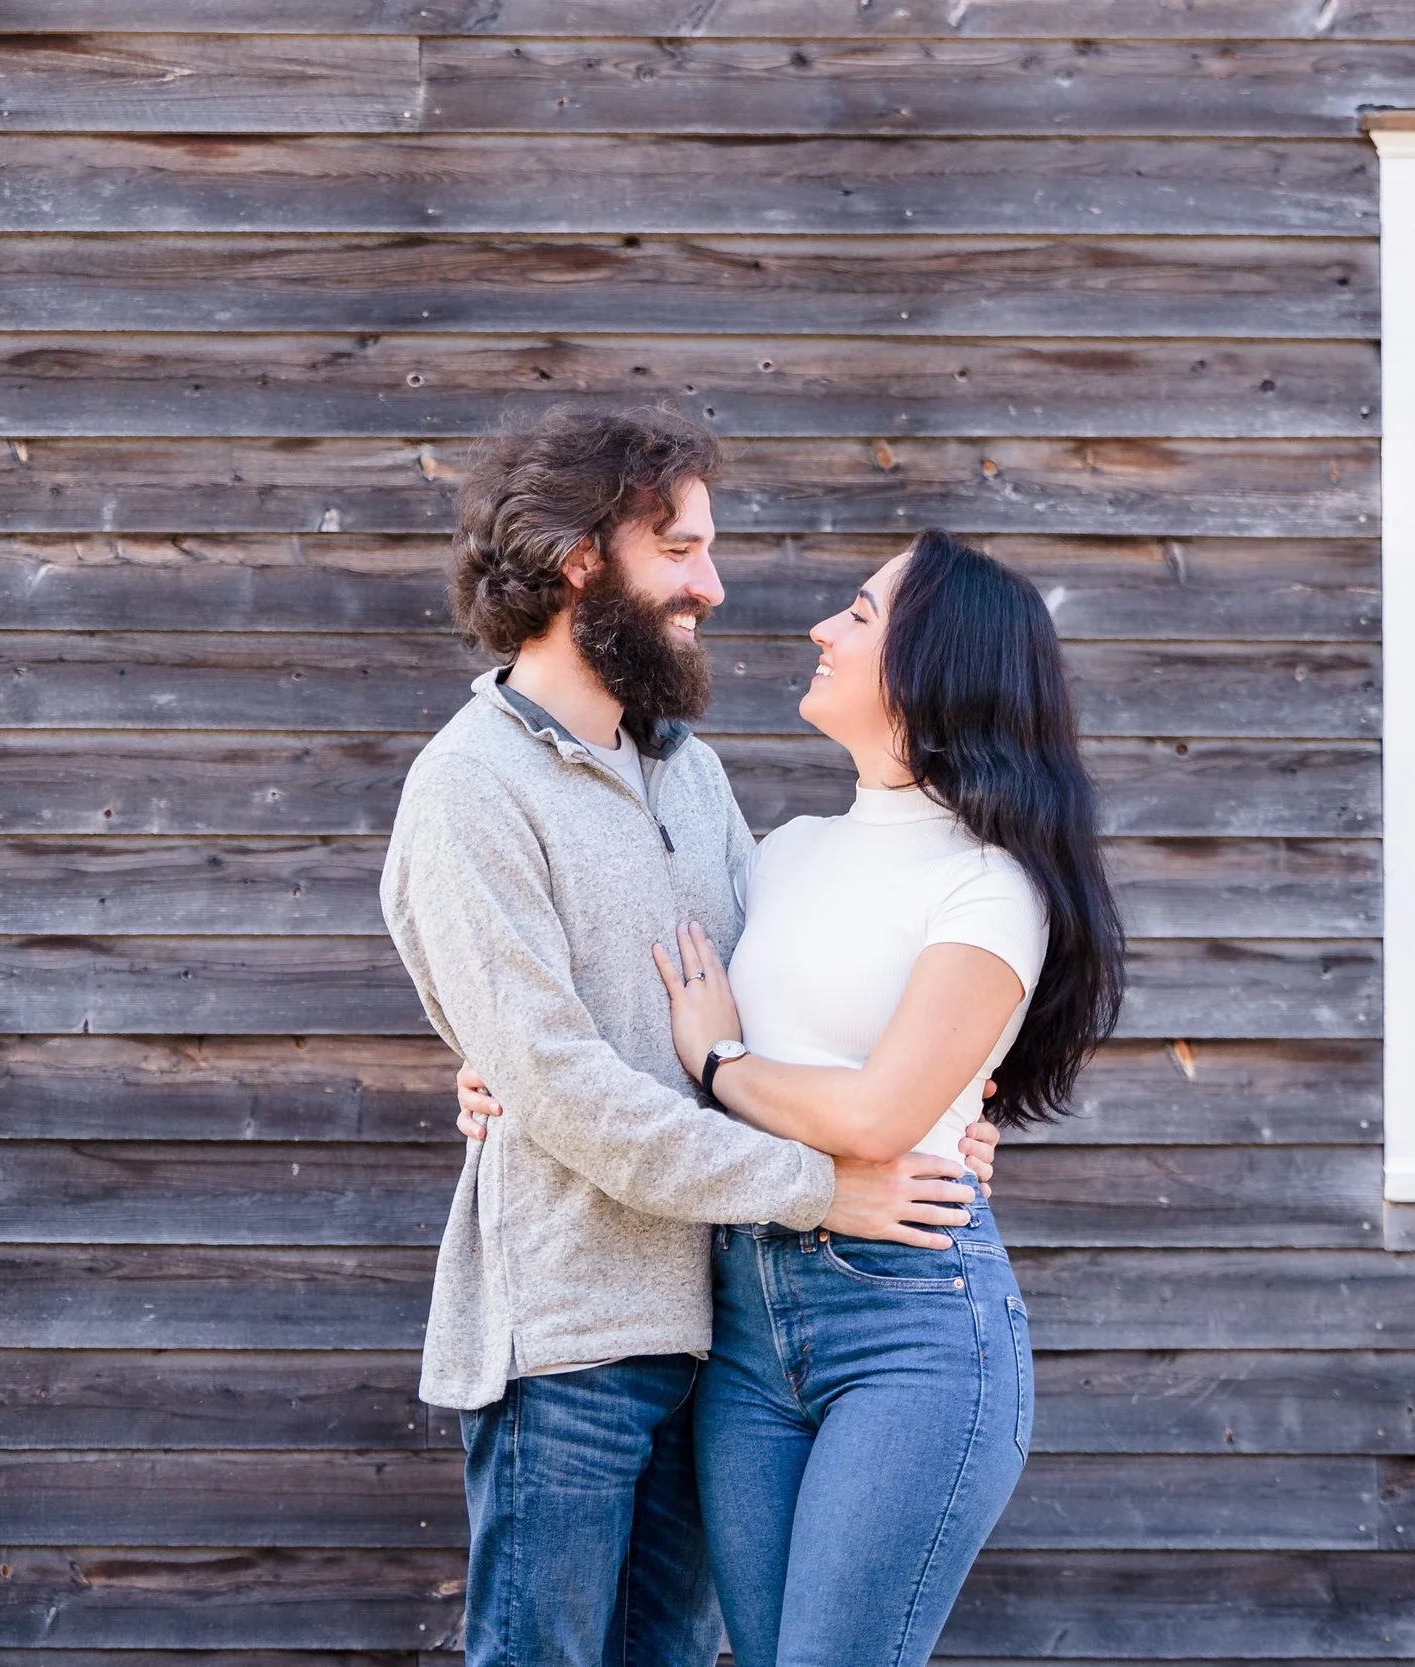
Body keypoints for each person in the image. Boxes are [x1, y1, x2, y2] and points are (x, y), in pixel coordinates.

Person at [379, 407, 1003, 1667]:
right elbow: (559, 1085)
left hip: (725, 1330)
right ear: (577, 560)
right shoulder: (467, 788)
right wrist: (825, 1186)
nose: (711, 585)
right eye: (681, 550)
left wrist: (926, 1107)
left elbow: (766, 1006)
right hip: (571, 1336)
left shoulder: (688, 771)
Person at [461, 528, 1126, 1665]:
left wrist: (725, 1066)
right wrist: (503, 1067)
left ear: (936, 663)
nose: (821, 626)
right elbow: (640, 1006)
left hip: (907, 1317)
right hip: (743, 1322)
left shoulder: (987, 885)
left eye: (859, 615)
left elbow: (870, 1118)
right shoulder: (780, 851)